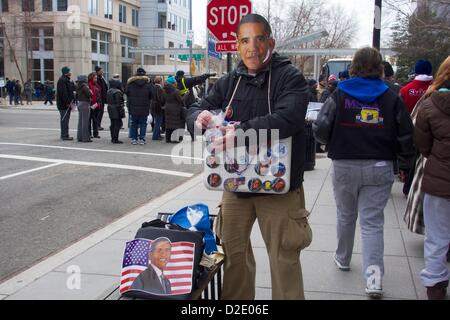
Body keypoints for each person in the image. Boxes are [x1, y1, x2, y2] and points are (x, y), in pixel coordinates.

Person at [187, 13, 312, 300]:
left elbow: (288, 118)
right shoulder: (231, 80)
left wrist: (241, 132)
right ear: (237, 45)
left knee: (284, 259)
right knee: (233, 257)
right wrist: (199, 117)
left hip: (279, 189)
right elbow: (196, 107)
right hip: (235, 187)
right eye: (245, 40)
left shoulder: (289, 77)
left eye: (258, 39)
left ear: (271, 41)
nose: (251, 47)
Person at [313, 47, 415, 298]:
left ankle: (343, 258)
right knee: (372, 224)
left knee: (345, 215)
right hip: (379, 167)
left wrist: (328, 143)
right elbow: (406, 134)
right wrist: (405, 164)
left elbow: (321, 127)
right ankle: (373, 281)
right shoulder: (392, 96)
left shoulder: (339, 93)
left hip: (344, 164)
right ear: (379, 67)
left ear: (354, 66)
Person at [414, 55, 450, 300]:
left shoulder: (430, 104)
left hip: (440, 178)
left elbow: (422, 145)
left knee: (437, 236)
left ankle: (436, 286)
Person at [125, 67, 153, 145]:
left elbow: (126, 92)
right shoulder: (148, 83)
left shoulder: (130, 83)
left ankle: (134, 139)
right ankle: (142, 139)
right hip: (144, 107)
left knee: (134, 123)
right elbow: (152, 95)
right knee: (143, 123)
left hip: (133, 107)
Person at [163, 76, 185, 143]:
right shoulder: (176, 91)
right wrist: (186, 95)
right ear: (173, 83)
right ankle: (175, 139)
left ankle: (168, 139)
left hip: (167, 108)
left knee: (168, 123)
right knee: (175, 124)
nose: (176, 83)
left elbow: (163, 99)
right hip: (175, 108)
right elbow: (180, 100)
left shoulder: (164, 90)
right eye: (175, 82)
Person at [56, 66, 75, 140]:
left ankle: (65, 134)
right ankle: (64, 135)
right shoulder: (62, 80)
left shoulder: (66, 80)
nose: (70, 73)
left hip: (67, 103)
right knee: (64, 120)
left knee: (66, 120)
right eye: (69, 71)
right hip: (64, 105)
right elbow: (63, 93)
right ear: (66, 72)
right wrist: (67, 102)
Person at [107, 78, 126, 144]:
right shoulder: (117, 92)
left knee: (113, 124)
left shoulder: (109, 91)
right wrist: (121, 111)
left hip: (110, 108)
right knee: (117, 124)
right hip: (116, 109)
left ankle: (113, 138)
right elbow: (119, 103)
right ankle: (115, 139)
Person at [75, 75, 93, 143]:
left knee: (80, 121)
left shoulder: (78, 86)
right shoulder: (84, 86)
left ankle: (79, 137)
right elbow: (90, 94)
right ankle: (85, 138)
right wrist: (90, 91)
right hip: (85, 103)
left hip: (80, 103)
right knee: (85, 122)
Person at [150, 76, 165, 141]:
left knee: (156, 121)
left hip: (153, 106)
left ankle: (158, 135)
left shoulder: (152, 87)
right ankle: (155, 136)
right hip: (158, 106)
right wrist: (163, 104)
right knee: (158, 122)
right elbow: (160, 99)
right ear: (160, 81)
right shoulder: (159, 88)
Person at [88, 72, 101, 139]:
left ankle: (96, 133)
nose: (96, 79)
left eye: (96, 78)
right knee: (89, 120)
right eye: (95, 78)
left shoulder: (96, 85)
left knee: (95, 120)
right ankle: (89, 134)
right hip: (91, 105)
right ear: (91, 78)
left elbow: (99, 94)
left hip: (96, 105)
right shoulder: (89, 85)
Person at [95, 66, 108, 131]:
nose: (102, 72)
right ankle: (97, 125)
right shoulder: (96, 79)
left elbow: (105, 87)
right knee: (98, 112)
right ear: (97, 72)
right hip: (98, 99)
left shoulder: (102, 78)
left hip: (102, 98)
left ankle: (98, 124)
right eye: (101, 71)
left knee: (101, 112)